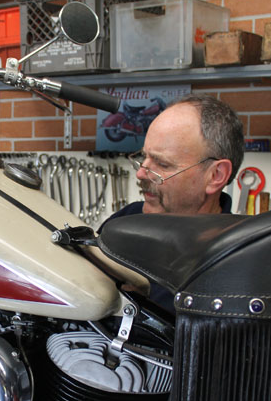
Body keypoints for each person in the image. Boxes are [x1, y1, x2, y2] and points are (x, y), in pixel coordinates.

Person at [98, 94, 245, 313]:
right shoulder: (127, 222)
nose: (140, 173)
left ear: (215, 176)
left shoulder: (238, 265)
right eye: (144, 157)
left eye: (162, 164)